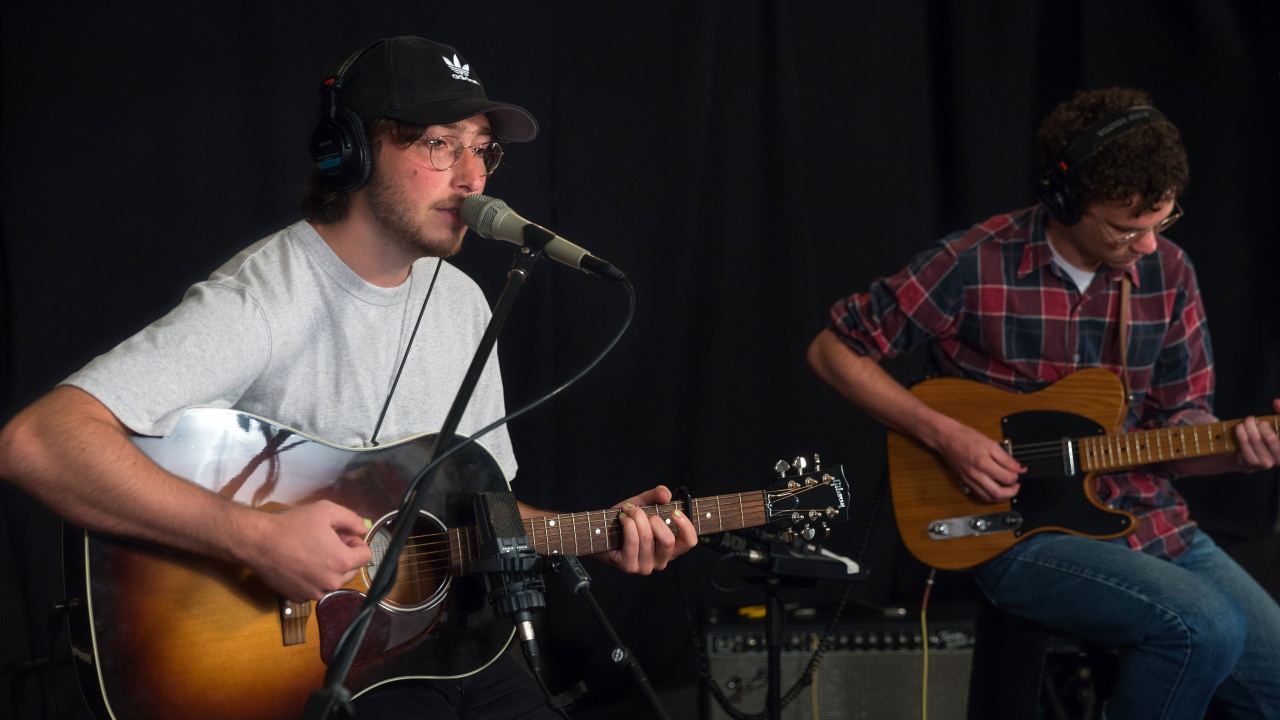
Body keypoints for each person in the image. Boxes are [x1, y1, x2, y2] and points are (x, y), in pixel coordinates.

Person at [0, 36, 696, 718]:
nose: (473, 177)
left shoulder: (461, 302)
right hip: (310, 672)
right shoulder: (265, 298)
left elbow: (482, 518)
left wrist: (595, 531)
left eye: (482, 149)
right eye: (439, 145)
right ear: (352, 152)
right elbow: (38, 442)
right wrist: (256, 539)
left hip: (445, 654)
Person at [807, 88, 1280, 718]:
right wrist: (945, 434)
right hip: (1013, 531)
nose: (1146, 246)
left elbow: (1182, 424)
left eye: (1160, 223)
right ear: (1065, 198)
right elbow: (833, 350)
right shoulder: (976, 260)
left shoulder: (1171, 272)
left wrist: (1239, 454)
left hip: (1149, 517)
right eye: (1125, 227)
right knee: (1205, 625)